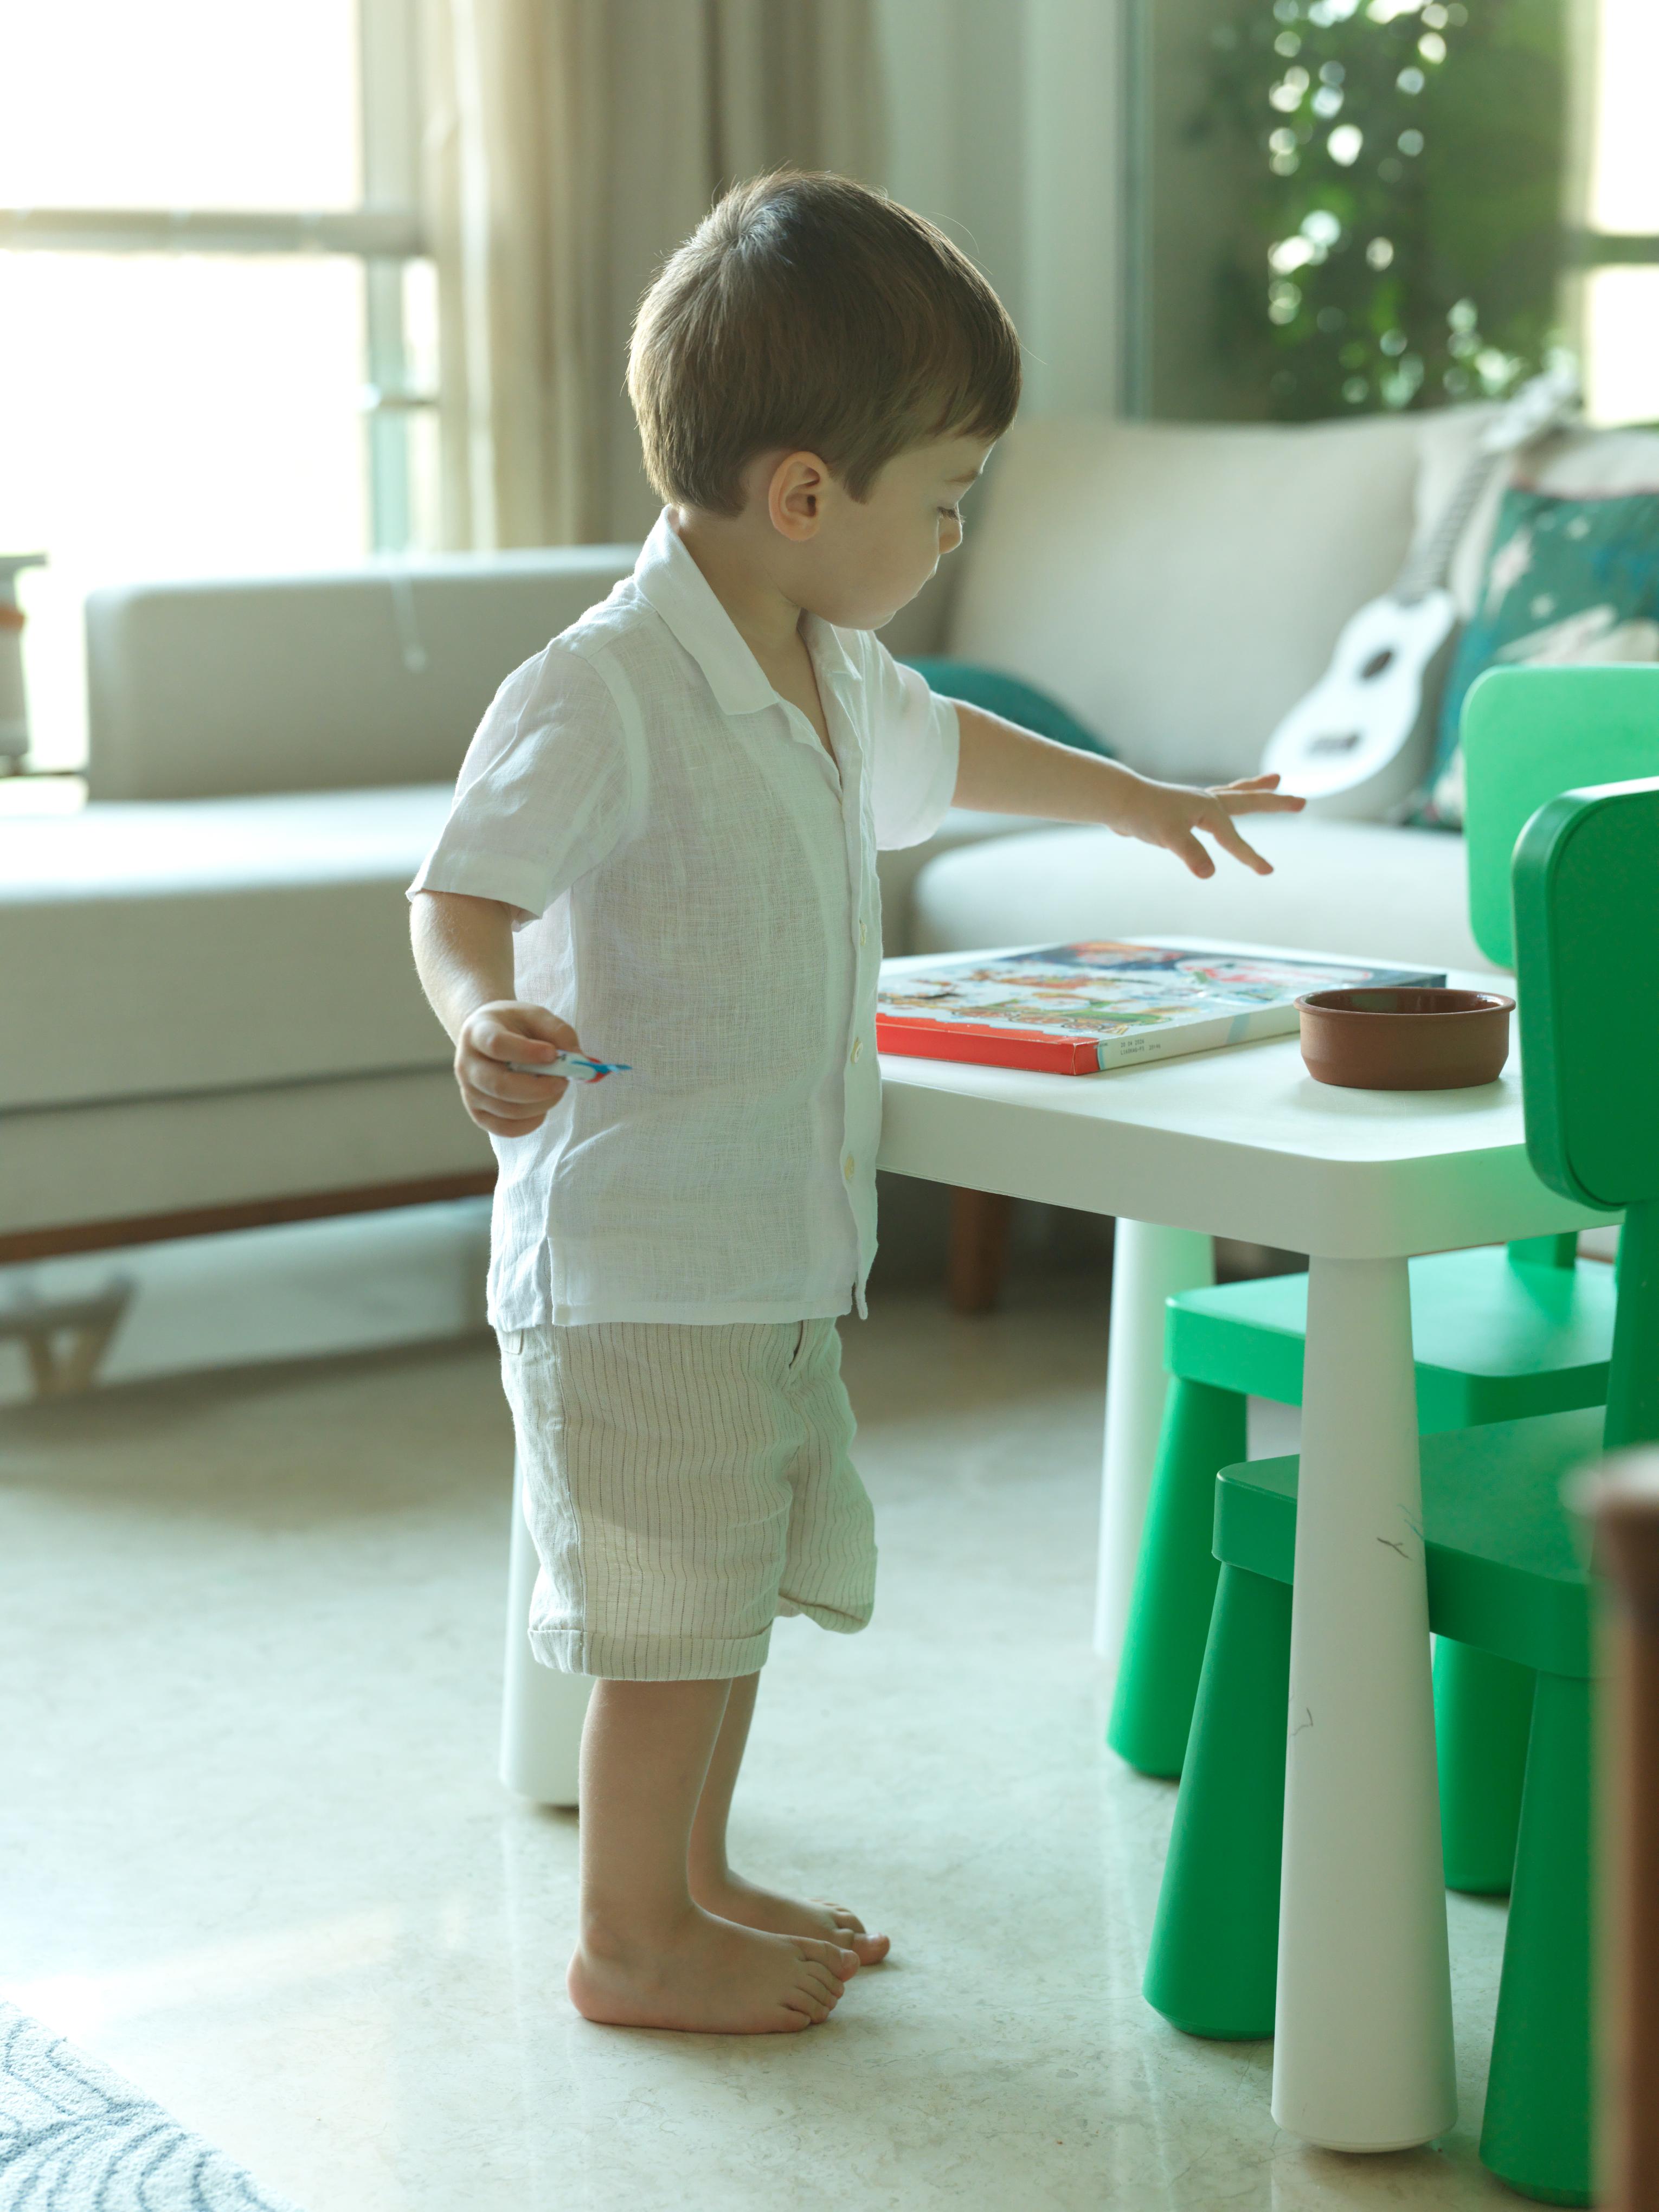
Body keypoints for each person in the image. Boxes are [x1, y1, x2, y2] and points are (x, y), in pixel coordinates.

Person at [408, 170, 1303, 2037]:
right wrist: (485, 1012)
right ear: (807, 495)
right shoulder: (604, 689)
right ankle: (625, 1943)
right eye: (949, 497)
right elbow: (459, 887)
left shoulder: (825, 662)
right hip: (638, 1260)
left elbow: (956, 746)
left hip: (768, 1245)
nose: (959, 531)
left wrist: (1139, 802)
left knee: (724, 1601)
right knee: (664, 1626)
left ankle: (696, 1880)